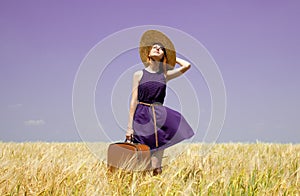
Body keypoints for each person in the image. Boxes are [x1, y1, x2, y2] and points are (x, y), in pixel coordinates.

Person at [126, 30, 194, 175]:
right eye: (154, 47)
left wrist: (171, 58)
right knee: (142, 154)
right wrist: (129, 127)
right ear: (148, 53)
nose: (158, 48)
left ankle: (156, 184)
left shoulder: (165, 75)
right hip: (142, 115)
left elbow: (187, 66)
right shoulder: (138, 74)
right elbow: (133, 101)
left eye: (161, 48)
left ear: (164, 55)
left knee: (157, 159)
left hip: (159, 115)